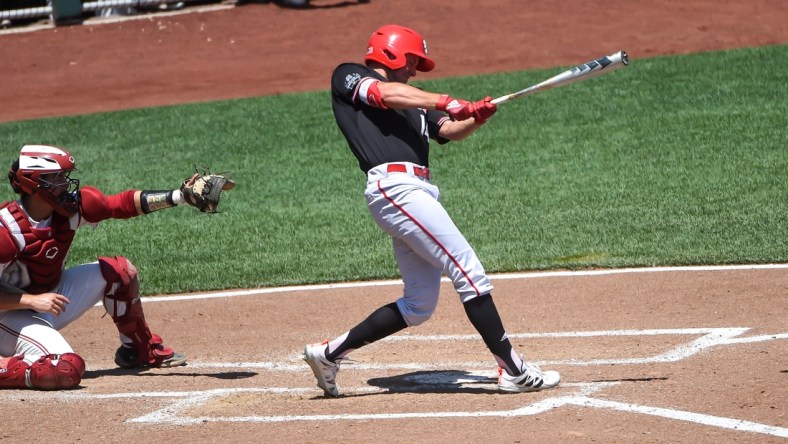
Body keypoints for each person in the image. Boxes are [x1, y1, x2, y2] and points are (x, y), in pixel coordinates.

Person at [303, 24, 560, 396]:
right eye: (411, 61)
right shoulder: (349, 75)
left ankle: (328, 354)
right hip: (395, 189)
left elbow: (451, 130)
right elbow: (386, 93)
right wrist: (444, 99)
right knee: (468, 270)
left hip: (417, 191)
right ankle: (512, 368)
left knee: (419, 304)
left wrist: (477, 116)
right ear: (389, 53)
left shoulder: (415, 104)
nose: (414, 70)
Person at [0, 144, 202, 390]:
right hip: (8, 314)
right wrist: (30, 301)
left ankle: (139, 350)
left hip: (47, 299)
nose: (65, 184)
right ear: (34, 184)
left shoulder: (69, 210)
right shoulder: (6, 232)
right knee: (64, 369)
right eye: (56, 179)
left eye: (64, 177)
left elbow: (121, 204)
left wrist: (179, 197)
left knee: (119, 273)